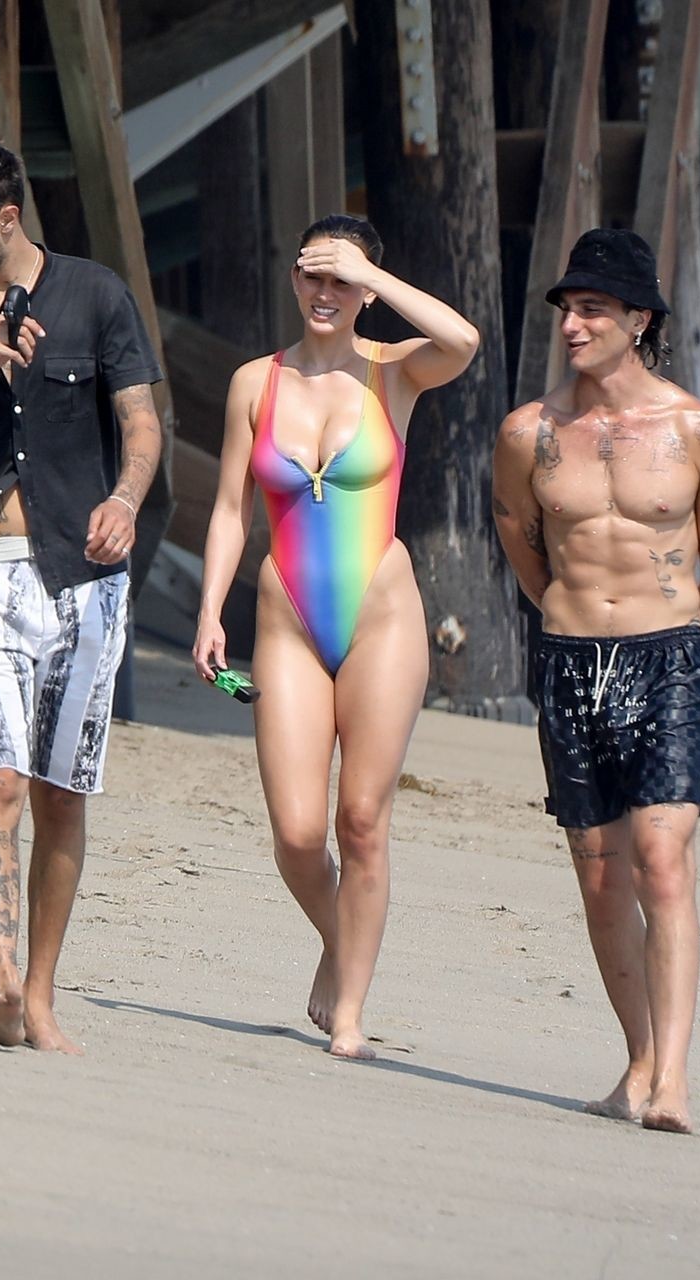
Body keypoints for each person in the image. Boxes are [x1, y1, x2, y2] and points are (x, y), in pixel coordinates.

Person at [0, 136, 164, 1054]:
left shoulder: (96, 295)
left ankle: (41, 996)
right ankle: (3, 983)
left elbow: (140, 422)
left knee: (62, 795)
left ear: (7, 219)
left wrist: (125, 500)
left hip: (84, 576)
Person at [192, 215, 479, 1060]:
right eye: (313, 277)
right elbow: (229, 510)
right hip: (286, 619)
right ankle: (340, 938)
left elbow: (463, 341)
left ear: (365, 290)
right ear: (293, 281)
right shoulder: (256, 382)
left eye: (342, 281)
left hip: (381, 617)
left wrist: (371, 274)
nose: (326, 294)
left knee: (360, 819)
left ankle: (348, 1013)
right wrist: (210, 611)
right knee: (295, 833)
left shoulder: (395, 370)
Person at [491, 227, 700, 1132]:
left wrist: (685, 648)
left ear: (640, 320)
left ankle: (673, 1080)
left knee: (661, 858)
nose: (573, 324)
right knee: (601, 875)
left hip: (669, 658)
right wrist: (571, 617)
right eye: (567, 308)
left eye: (594, 309)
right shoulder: (528, 433)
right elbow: (522, 544)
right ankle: (638, 1061)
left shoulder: (697, 432)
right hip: (570, 664)